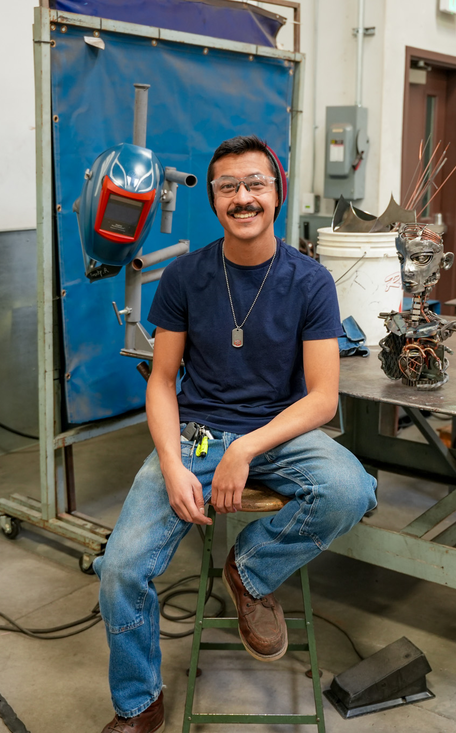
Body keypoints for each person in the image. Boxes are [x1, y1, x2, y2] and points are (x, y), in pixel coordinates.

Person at [93, 135, 377, 733]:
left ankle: (248, 571)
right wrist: (172, 463)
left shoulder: (310, 281)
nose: (242, 198)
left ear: (277, 192)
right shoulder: (186, 278)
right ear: (215, 198)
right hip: (196, 432)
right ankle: (139, 704)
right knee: (120, 567)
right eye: (229, 188)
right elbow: (163, 380)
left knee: (351, 489)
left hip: (278, 432)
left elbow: (323, 399)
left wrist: (246, 448)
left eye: (255, 185)